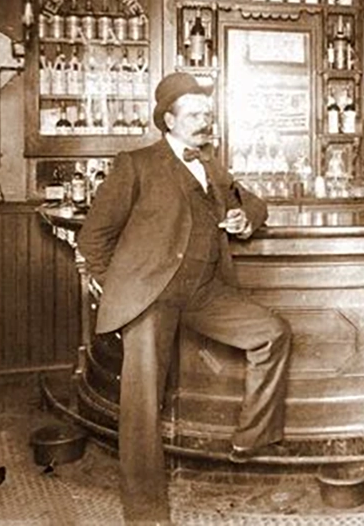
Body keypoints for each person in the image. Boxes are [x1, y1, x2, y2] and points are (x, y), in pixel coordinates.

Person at [78, 72, 292, 524]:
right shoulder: (135, 164)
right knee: (142, 407)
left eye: (208, 115)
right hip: (150, 298)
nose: (204, 122)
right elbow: (93, 237)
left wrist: (242, 217)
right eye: (194, 115)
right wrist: (114, 285)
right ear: (168, 120)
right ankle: (145, 512)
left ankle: (250, 438)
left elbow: (255, 203)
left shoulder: (211, 164)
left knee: (272, 333)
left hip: (204, 291)